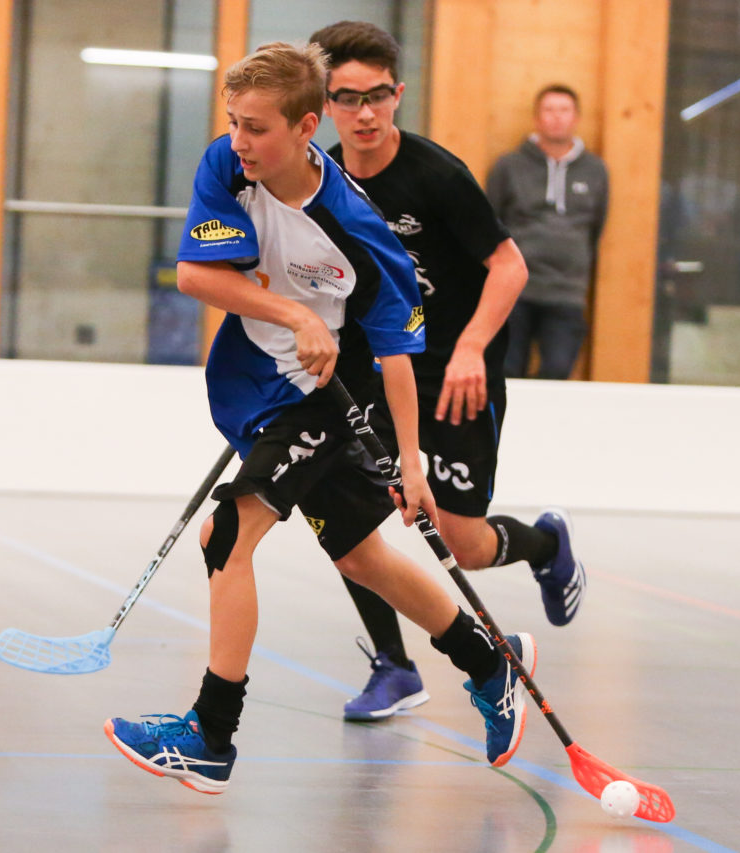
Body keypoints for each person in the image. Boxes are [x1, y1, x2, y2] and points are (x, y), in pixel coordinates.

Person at [103, 42, 537, 795]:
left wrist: (411, 461)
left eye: (257, 128)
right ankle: (490, 661)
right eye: (234, 123)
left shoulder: (363, 235)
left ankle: (211, 735)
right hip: (266, 383)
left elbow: (398, 352)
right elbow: (196, 275)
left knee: (227, 533)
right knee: (361, 557)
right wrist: (292, 314)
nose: (240, 142)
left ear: (306, 128)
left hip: (338, 394)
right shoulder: (225, 165)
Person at [306, 21, 586, 723]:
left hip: (460, 374)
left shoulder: (437, 176)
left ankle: (546, 543)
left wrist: (469, 349)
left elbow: (509, 266)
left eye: (377, 96)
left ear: (398, 94)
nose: (364, 113)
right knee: (351, 523)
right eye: (347, 98)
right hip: (379, 372)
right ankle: (395, 666)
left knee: (461, 540)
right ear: (325, 102)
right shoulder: (326, 180)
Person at [486, 84, 608, 380]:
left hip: (567, 293)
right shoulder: (508, 166)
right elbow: (489, 223)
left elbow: (596, 226)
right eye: (549, 110)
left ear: (576, 117)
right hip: (514, 290)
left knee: (557, 371)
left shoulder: (595, 169)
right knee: (508, 370)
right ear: (537, 118)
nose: (556, 118)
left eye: (564, 110)